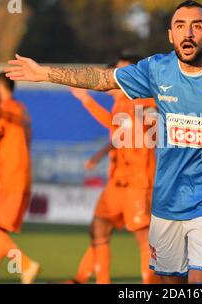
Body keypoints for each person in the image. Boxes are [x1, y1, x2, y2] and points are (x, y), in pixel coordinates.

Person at [5, 0, 202, 284]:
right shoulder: (157, 70)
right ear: (170, 35)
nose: (188, 33)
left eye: (197, 26)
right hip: (166, 203)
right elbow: (104, 79)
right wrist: (44, 74)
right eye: (180, 26)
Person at [66, 55, 160, 284]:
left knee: (142, 236)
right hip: (118, 180)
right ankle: (94, 280)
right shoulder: (122, 103)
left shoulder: (145, 100)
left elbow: (145, 129)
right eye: (117, 71)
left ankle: (153, 283)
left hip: (138, 180)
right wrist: (99, 156)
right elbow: (117, 131)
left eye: (124, 71)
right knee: (99, 227)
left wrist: (86, 100)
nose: (119, 76)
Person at [0, 73, 40, 284]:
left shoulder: (3, 110)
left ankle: (25, 265)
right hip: (22, 178)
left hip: (5, 179)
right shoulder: (22, 110)